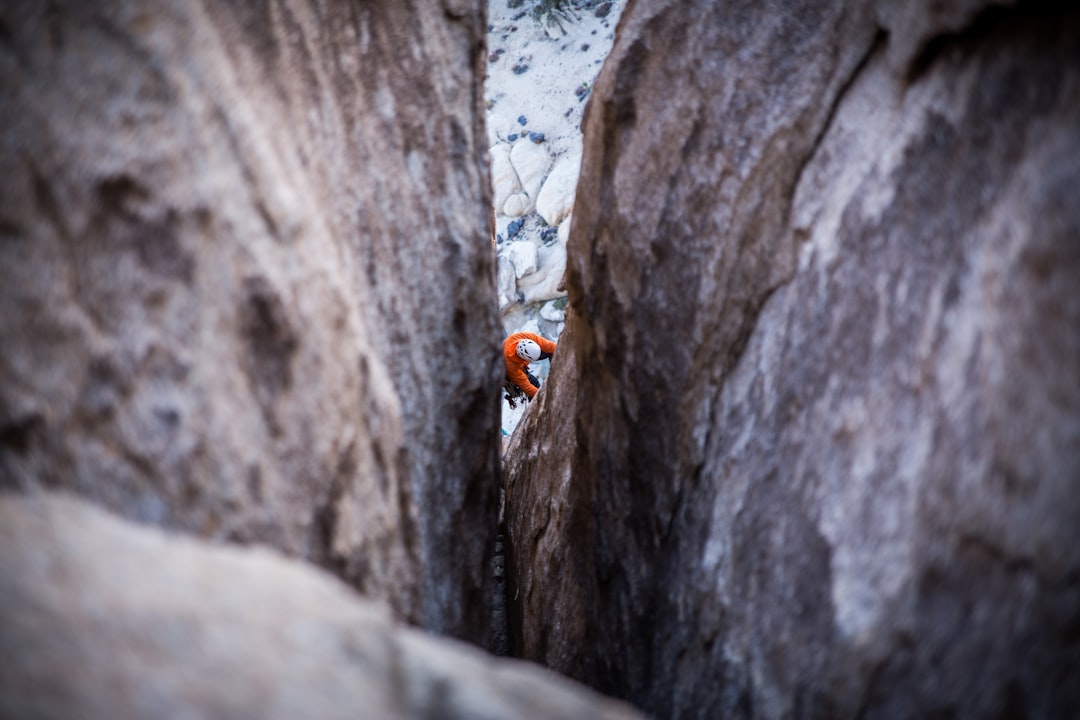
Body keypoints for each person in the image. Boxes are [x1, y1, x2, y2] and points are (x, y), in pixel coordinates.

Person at [503, 331, 557, 403]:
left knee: (551, 351)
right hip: (509, 366)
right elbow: (527, 387)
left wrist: (562, 349)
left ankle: (556, 376)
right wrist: (545, 397)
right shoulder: (511, 366)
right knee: (533, 382)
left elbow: (548, 345)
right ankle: (535, 406)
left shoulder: (524, 336)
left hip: (520, 354)